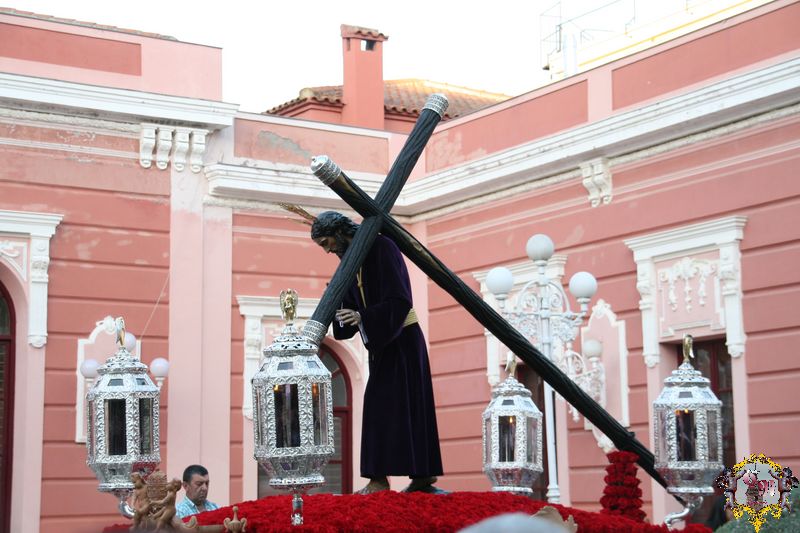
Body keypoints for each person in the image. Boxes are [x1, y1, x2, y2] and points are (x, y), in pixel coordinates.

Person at [311, 211, 444, 494]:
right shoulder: (350, 262)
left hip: (403, 339)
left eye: (326, 242)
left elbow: (400, 301)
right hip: (383, 343)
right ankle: (403, 476)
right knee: (388, 407)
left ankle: (393, 479)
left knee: (399, 405)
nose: (327, 250)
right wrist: (337, 304)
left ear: (339, 232)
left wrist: (364, 317)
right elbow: (348, 320)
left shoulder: (383, 248)